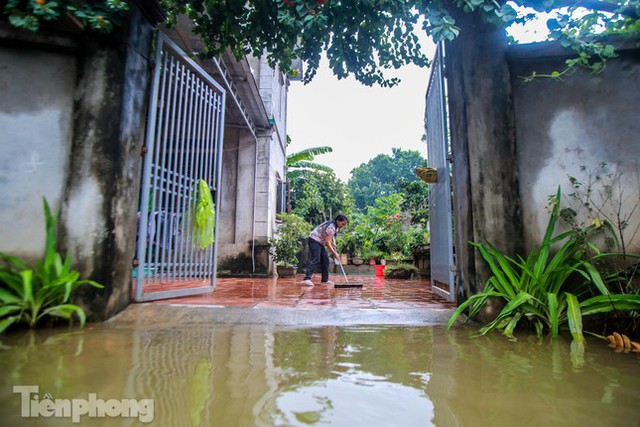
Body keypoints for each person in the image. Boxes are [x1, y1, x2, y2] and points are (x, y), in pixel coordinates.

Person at [301, 214, 349, 286]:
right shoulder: (331, 227)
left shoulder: (334, 225)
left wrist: (334, 242)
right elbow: (327, 242)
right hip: (314, 240)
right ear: (338, 221)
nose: (343, 226)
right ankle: (306, 279)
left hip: (320, 242)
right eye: (342, 224)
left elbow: (331, 236)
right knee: (316, 258)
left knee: (325, 260)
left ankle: (325, 280)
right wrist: (334, 253)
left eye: (344, 224)